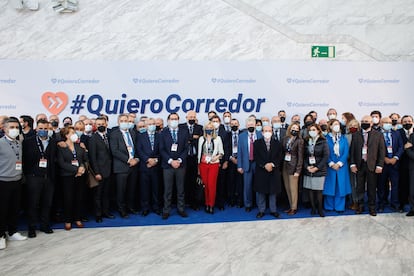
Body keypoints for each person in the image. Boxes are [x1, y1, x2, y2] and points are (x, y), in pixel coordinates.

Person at [23, 119, 57, 238]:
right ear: (36, 129)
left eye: (45, 129)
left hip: (49, 178)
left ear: (49, 129)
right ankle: (32, 227)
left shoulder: (53, 142)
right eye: (41, 128)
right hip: (34, 178)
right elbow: (25, 160)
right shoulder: (28, 142)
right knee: (33, 203)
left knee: (47, 203)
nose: (43, 131)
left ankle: (45, 225)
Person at [0, 117, 27, 250]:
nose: (14, 130)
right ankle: (0, 236)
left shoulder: (19, 142)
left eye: (16, 127)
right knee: (2, 210)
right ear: (4, 129)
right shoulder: (0, 143)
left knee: (14, 209)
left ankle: (12, 232)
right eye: (11, 127)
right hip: (3, 181)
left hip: (17, 180)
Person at [350, 115, 385, 216]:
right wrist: (352, 164)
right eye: (363, 121)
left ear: (371, 123)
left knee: (372, 187)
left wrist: (379, 165)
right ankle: (360, 206)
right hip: (359, 165)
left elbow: (381, 151)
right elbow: (352, 151)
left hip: (372, 165)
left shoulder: (378, 135)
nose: (364, 122)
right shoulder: (356, 135)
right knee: (359, 187)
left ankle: (372, 207)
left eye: (366, 121)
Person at [159, 112, 189, 219]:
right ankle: (166, 210)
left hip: (181, 165)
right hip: (168, 166)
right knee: (168, 190)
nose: (174, 121)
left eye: (176, 119)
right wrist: (171, 161)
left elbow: (186, 148)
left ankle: (181, 209)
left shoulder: (184, 132)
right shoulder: (163, 133)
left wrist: (179, 160)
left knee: (180, 189)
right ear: (168, 121)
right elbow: (161, 149)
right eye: (172, 119)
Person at [57, 126, 87, 230]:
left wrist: (82, 167)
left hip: (80, 176)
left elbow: (84, 159)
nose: (75, 134)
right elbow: (61, 163)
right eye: (72, 132)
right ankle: (68, 220)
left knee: (79, 197)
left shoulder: (79, 146)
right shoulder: (61, 147)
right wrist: (76, 169)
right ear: (66, 135)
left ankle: (78, 219)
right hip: (67, 176)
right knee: (68, 198)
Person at [109, 114, 140, 218]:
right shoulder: (114, 134)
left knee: (131, 189)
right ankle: (122, 210)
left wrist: (136, 159)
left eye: (126, 120)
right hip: (121, 167)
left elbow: (137, 147)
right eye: (122, 121)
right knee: (121, 190)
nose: (125, 122)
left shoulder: (133, 133)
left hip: (134, 166)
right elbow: (115, 151)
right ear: (118, 122)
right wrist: (128, 160)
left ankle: (130, 207)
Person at [88, 116, 115, 223]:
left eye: (102, 124)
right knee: (98, 195)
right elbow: (93, 157)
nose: (101, 126)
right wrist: (97, 172)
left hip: (109, 170)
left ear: (106, 124)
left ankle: (106, 212)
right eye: (98, 124)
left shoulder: (109, 136)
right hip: (99, 171)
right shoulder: (93, 139)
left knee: (106, 194)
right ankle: (98, 215)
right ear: (95, 126)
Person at [253, 125, 283, 219]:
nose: (267, 132)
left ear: (272, 131)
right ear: (262, 132)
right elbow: (256, 156)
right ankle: (261, 210)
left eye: (269, 130)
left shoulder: (277, 143)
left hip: (274, 170)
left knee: (273, 191)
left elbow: (280, 156)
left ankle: (273, 210)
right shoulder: (257, 143)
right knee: (261, 191)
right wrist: (264, 165)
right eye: (265, 130)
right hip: (261, 170)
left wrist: (272, 164)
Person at [323, 119, 351, 213]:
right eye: (335, 124)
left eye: (338, 124)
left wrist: (340, 163)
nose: (337, 126)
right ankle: (329, 206)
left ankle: (340, 207)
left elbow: (346, 152)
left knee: (340, 186)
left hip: (341, 166)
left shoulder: (343, 138)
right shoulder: (325, 138)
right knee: (330, 186)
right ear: (330, 126)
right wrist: (330, 163)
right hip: (329, 166)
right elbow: (324, 152)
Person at [377, 117, 404, 212]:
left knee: (395, 185)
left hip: (394, 163)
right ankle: (381, 203)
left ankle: (395, 203)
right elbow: (374, 148)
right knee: (381, 185)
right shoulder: (376, 133)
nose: (388, 124)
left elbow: (401, 147)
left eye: (389, 122)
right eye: (385, 122)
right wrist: (383, 158)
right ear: (381, 123)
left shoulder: (396, 133)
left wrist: (395, 157)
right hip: (382, 163)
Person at [197, 122, 224, 214]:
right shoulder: (201, 139)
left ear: (213, 129)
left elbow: (221, 152)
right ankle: (206, 203)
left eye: (211, 127)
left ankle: (211, 205)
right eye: (207, 127)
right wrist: (198, 166)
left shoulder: (218, 139)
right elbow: (199, 153)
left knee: (212, 185)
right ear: (205, 129)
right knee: (205, 185)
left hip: (213, 164)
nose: (209, 129)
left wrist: (215, 157)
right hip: (203, 164)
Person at [137, 118, 162, 216]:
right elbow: (139, 150)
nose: (151, 125)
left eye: (153, 124)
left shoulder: (160, 136)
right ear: (146, 126)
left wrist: (155, 160)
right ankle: (145, 208)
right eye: (149, 124)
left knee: (156, 189)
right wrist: (147, 160)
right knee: (144, 189)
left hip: (156, 167)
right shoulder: (140, 136)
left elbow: (162, 150)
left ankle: (156, 207)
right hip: (145, 166)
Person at [303, 123, 329, 217]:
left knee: (318, 191)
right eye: (310, 130)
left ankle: (320, 209)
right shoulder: (306, 141)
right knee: (310, 189)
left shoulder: (323, 141)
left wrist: (317, 168)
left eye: (314, 130)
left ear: (318, 130)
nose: (312, 132)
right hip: (308, 169)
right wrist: (307, 167)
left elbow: (325, 156)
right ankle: (313, 208)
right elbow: (303, 156)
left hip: (319, 169)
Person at [179, 110, 203, 210]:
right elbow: (183, 140)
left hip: (195, 158)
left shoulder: (200, 128)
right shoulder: (181, 127)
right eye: (190, 117)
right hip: (184, 158)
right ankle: (184, 202)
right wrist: (192, 138)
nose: (192, 118)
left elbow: (201, 140)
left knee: (194, 181)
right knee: (183, 181)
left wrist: (190, 139)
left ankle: (194, 202)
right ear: (186, 117)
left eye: (194, 117)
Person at [237, 117, 263, 212]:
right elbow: (239, 152)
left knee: (259, 185)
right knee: (247, 186)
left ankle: (259, 204)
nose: (251, 126)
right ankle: (248, 204)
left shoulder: (261, 135)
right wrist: (239, 165)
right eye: (249, 124)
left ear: (255, 125)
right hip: (246, 164)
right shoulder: (242, 136)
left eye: (252, 124)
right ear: (246, 125)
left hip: (258, 164)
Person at [281, 122, 303, 215]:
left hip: (294, 167)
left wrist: (298, 170)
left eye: (296, 128)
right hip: (285, 166)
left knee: (293, 188)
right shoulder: (285, 139)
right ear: (290, 128)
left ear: (298, 130)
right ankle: (290, 206)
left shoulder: (299, 141)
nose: (294, 129)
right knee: (287, 188)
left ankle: (294, 207)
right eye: (293, 127)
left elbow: (300, 156)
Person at [227, 118, 243, 207]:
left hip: (241, 162)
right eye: (232, 124)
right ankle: (231, 200)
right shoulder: (227, 135)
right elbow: (225, 148)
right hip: (231, 161)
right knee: (231, 181)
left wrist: (240, 159)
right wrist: (231, 158)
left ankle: (240, 201)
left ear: (239, 125)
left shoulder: (243, 134)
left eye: (235, 123)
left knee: (240, 182)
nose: (234, 125)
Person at [345, 119, 360, 210]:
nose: (353, 127)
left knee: (359, 183)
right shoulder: (345, 137)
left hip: (361, 163)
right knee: (352, 183)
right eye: (351, 125)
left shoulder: (361, 135)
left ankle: (359, 201)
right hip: (349, 163)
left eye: (355, 125)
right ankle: (354, 201)